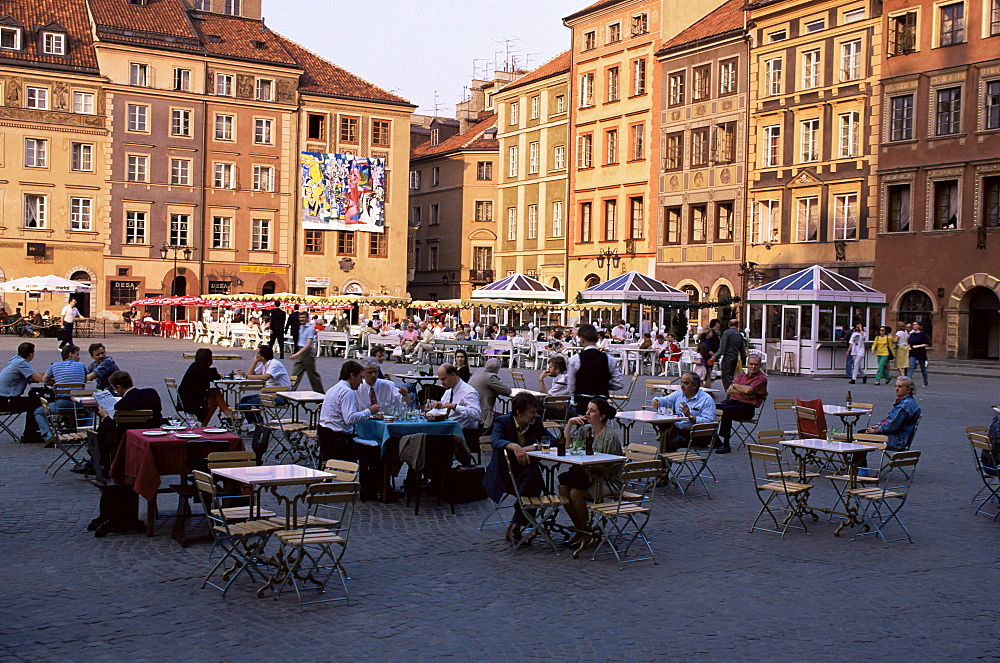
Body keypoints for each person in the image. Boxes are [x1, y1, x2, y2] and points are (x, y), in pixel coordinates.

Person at [483, 392, 548, 544]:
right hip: (505, 473)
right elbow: (496, 440)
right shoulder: (503, 422)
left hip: (526, 471)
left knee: (532, 477)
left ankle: (515, 525)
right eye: (532, 411)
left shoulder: (536, 421)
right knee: (534, 481)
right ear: (519, 412)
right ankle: (519, 524)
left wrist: (532, 447)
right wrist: (514, 446)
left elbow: (550, 440)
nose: (535, 414)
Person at [560, 398, 623, 547]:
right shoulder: (585, 430)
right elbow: (568, 448)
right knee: (563, 490)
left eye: (592, 410)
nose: (587, 413)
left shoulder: (609, 437)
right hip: (588, 477)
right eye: (587, 409)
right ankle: (582, 530)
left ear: (601, 416)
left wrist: (585, 466)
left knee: (576, 493)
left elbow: (607, 469)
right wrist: (569, 424)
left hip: (608, 481)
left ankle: (584, 532)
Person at [317, 360, 381, 501]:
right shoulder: (347, 392)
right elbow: (350, 419)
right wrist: (369, 411)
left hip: (327, 436)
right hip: (338, 441)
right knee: (374, 449)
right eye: (360, 377)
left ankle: (373, 488)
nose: (361, 382)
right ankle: (370, 490)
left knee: (368, 446)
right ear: (352, 376)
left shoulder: (333, 389)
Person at [34, 345, 89, 445]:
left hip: (62, 404)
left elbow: (44, 380)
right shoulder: (81, 365)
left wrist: (57, 381)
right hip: (78, 405)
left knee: (38, 412)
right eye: (77, 354)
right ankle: (88, 434)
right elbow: (84, 380)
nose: (79, 357)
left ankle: (48, 435)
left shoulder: (54, 366)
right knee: (91, 410)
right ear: (70, 355)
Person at [650, 371, 716, 452]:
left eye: (686, 383)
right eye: (681, 383)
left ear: (695, 385)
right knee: (664, 427)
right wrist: (657, 401)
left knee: (669, 441)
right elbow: (665, 400)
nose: (682, 386)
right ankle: (664, 460)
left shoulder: (706, 399)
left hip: (695, 434)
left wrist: (690, 416)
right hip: (677, 429)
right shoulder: (679, 394)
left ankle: (663, 462)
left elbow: (709, 422)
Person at [566, 323, 624, 414]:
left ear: (582, 339)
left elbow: (571, 385)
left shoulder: (575, 359)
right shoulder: (609, 359)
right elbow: (619, 383)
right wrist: (603, 385)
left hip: (582, 402)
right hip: (602, 402)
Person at [716, 354, 768, 454]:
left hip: (747, 409)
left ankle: (726, 444)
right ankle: (714, 440)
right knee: (709, 407)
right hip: (732, 403)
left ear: (760, 365)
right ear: (747, 365)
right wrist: (742, 390)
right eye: (751, 364)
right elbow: (729, 390)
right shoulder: (742, 376)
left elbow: (748, 391)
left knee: (726, 411)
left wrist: (737, 387)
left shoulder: (761, 379)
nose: (753, 367)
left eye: (756, 364)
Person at [0, 342, 47, 444]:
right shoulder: (21, 363)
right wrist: (53, 378)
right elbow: (39, 378)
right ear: (30, 354)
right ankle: (30, 434)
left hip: (3, 398)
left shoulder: (14, 360)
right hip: (6, 400)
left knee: (32, 399)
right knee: (36, 404)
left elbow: (29, 378)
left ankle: (32, 432)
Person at [432, 363, 482, 455]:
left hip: (463, 434)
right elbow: (445, 408)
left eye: (443, 379)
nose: (441, 383)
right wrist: (439, 406)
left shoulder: (468, 392)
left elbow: (476, 414)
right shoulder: (448, 391)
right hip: (446, 430)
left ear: (453, 375)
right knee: (422, 438)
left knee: (430, 443)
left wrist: (455, 407)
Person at [863, 376, 921, 451]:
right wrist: (878, 425)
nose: (896, 389)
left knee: (861, 437)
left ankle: (857, 462)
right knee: (861, 434)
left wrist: (876, 430)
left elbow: (893, 424)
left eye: (900, 387)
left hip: (897, 440)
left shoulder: (905, 405)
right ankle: (857, 462)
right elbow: (890, 421)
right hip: (897, 436)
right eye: (896, 386)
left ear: (908, 390)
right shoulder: (907, 401)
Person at [178, 348, 232, 426]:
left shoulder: (194, 366)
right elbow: (215, 376)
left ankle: (225, 415)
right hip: (191, 401)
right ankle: (228, 414)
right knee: (216, 392)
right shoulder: (201, 369)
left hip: (185, 399)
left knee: (214, 400)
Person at [469, 358, 512, 432]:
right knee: (506, 420)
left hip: (472, 409)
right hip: (483, 412)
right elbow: (507, 391)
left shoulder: (478, 371)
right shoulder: (490, 377)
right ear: (496, 369)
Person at [290, 311, 323, 392]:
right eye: (300, 317)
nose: (301, 319)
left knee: (312, 375)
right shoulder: (300, 327)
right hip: (300, 350)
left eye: (303, 317)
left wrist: (297, 354)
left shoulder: (310, 329)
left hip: (307, 353)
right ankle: (288, 392)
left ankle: (320, 395)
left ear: (307, 318)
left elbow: (308, 344)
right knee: (295, 374)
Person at [717, 318, 747, 390]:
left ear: (729, 325)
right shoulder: (739, 335)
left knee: (726, 377)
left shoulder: (727, 333)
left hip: (727, 356)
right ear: (737, 325)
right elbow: (742, 350)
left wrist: (715, 356)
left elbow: (722, 347)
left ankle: (729, 394)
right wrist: (744, 361)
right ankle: (731, 393)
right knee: (731, 375)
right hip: (735, 357)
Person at [907, 321, 931, 387]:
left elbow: (927, 344)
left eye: (916, 324)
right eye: (913, 325)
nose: (914, 326)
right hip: (912, 353)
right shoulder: (912, 335)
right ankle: (908, 383)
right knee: (911, 367)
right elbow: (909, 343)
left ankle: (925, 381)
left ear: (919, 326)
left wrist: (918, 346)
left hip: (921, 353)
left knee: (922, 368)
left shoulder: (923, 335)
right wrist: (910, 347)